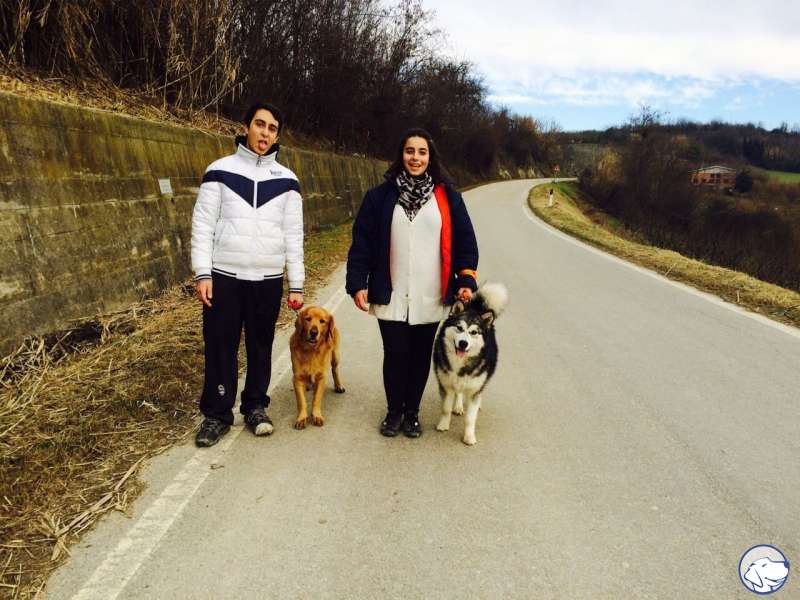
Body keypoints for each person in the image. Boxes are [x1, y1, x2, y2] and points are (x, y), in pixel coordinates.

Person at [346, 128, 478, 438]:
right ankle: (394, 412)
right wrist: (357, 282)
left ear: (430, 157)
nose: (415, 158)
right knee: (395, 354)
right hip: (390, 293)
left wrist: (465, 278)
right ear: (401, 155)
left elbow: (465, 242)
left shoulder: (448, 198)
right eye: (409, 151)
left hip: (430, 294)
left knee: (419, 356)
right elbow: (362, 243)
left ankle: (412, 414)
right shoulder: (379, 197)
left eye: (422, 152)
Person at [191, 102, 305, 447]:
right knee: (220, 346)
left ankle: (255, 406)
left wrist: (296, 283)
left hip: (267, 280)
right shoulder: (219, 171)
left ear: (277, 136)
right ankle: (217, 415)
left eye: (272, 128)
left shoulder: (288, 181)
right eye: (260, 124)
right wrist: (203, 273)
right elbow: (202, 225)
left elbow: (293, 236)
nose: (265, 133)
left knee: (260, 346)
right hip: (224, 277)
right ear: (246, 127)